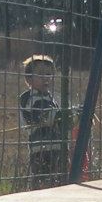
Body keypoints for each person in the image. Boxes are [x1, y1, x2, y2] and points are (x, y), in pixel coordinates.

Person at [19, 54, 67, 189]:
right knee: (42, 180)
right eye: (40, 74)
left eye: (48, 74)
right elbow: (42, 116)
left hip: (57, 146)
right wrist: (61, 115)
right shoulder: (29, 98)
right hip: (40, 148)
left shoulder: (51, 98)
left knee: (57, 180)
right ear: (29, 79)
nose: (45, 78)